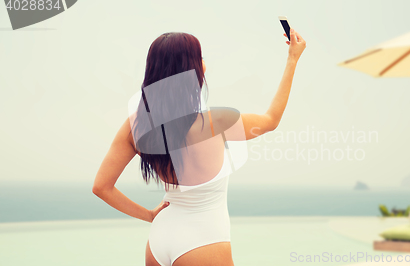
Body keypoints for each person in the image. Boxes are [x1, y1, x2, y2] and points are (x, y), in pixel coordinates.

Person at [92, 28, 306, 266]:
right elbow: (271, 120)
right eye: (200, 57)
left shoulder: (136, 126)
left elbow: (101, 187)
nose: (204, 63)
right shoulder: (215, 123)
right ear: (191, 70)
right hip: (203, 242)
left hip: (159, 240)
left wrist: (150, 216)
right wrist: (292, 58)